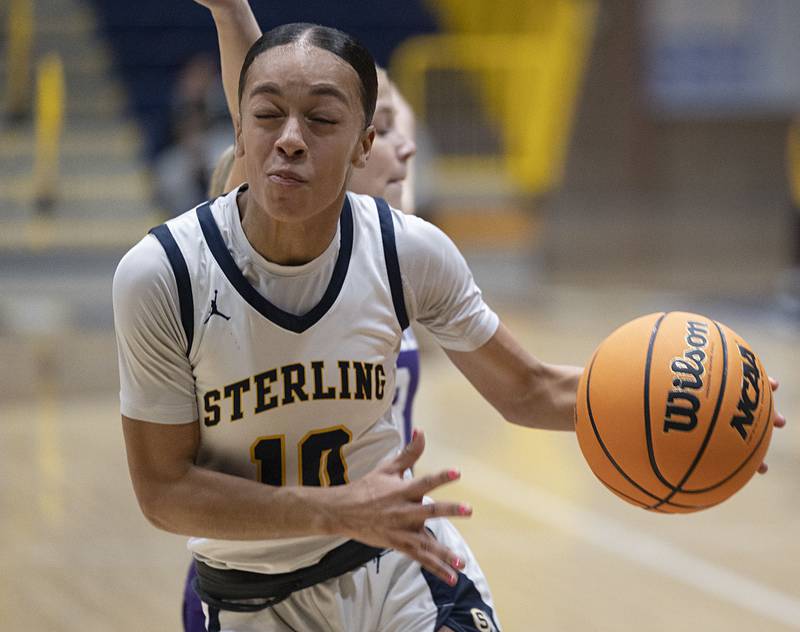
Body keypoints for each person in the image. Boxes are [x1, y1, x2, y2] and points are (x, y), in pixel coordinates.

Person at [114, 17, 784, 632]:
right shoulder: (163, 274)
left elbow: (527, 389)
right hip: (250, 594)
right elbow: (164, 491)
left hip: (397, 567)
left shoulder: (408, 250)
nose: (289, 139)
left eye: (321, 119)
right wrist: (332, 507)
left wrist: (690, 409)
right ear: (240, 127)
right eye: (267, 115)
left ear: (361, 144)